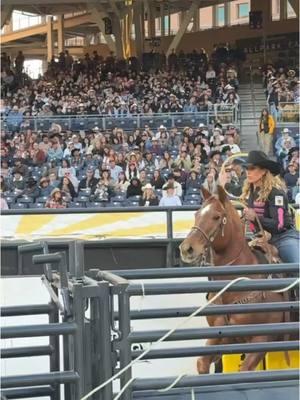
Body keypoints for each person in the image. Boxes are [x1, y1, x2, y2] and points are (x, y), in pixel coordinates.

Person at [241, 150, 299, 263]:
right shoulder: (251, 193)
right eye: (247, 168)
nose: (248, 172)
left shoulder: (276, 193)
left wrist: (255, 218)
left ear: (263, 171)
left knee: (297, 267)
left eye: (252, 168)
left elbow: (279, 224)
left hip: (284, 238)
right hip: (261, 238)